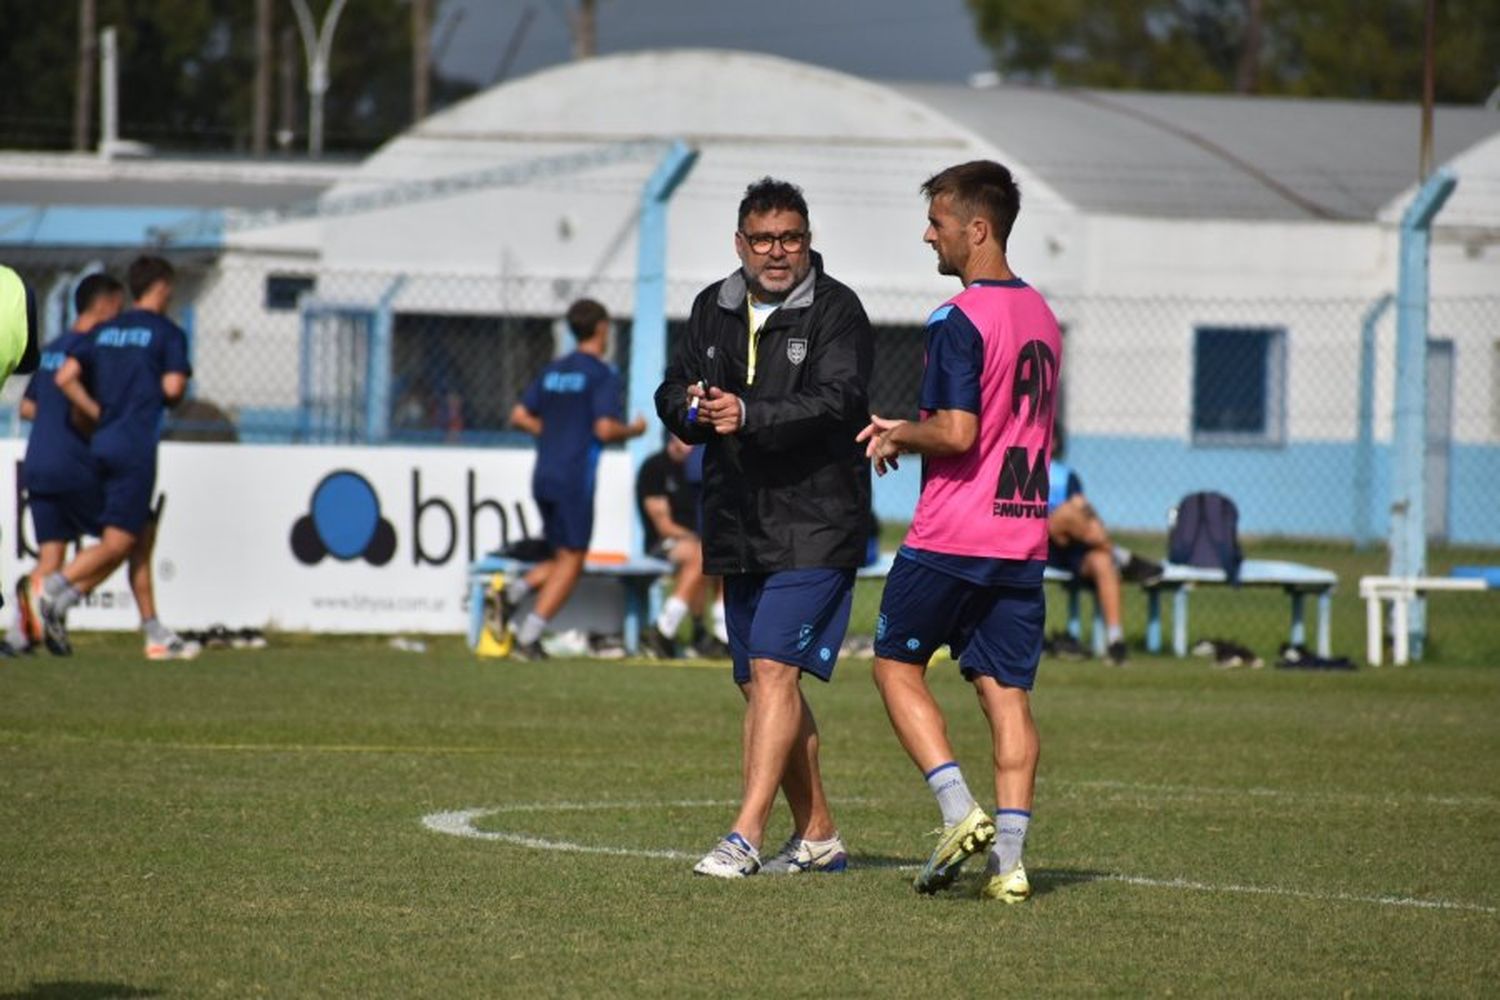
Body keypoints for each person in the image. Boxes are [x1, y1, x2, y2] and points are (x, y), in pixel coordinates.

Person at [656, 177, 873, 878]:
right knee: (759, 683)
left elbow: (838, 402)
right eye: (764, 239)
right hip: (736, 522)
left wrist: (749, 414)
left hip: (816, 522)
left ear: (808, 240)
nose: (778, 252)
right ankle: (819, 835)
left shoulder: (838, 310)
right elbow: (671, 387)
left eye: (791, 238)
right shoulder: (710, 307)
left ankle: (744, 835)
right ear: (740, 244)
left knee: (776, 671)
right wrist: (688, 408)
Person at [859, 160, 1061, 903]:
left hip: (954, 534)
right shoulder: (1040, 313)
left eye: (938, 223)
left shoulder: (958, 318)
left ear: (978, 230)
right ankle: (1008, 864)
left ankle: (956, 811)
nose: (928, 234)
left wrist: (896, 434)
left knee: (893, 665)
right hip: (1021, 537)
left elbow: (957, 431)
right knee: (1006, 697)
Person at [28, 256, 199, 660]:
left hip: (99, 444)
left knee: (137, 536)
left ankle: (151, 630)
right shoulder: (167, 333)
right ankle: (52, 589)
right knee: (121, 540)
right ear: (162, 287)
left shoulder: (104, 332)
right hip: (135, 446)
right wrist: (158, 389)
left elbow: (66, 376)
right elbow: (174, 388)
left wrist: (96, 412)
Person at [503, 298, 647, 660]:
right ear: (601, 328)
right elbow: (604, 428)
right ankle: (528, 637)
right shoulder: (602, 373)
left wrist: (551, 433)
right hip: (573, 476)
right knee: (574, 560)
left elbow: (519, 416)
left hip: (544, 474)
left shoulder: (554, 370)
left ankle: (512, 593)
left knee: (561, 555)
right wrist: (634, 430)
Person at [14, 273, 123, 651]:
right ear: (105, 304)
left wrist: (53, 417)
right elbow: (80, 404)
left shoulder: (51, 349)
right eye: (118, 308)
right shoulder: (93, 350)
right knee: (123, 538)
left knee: (51, 555)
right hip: (73, 463)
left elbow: (27, 407)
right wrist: (99, 418)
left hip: (38, 461)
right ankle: (57, 602)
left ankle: (17, 637)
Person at [1047, 440, 1163, 665]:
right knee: (1066, 513)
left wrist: (1090, 526)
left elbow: (1086, 511)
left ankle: (1115, 641)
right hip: (1037, 543)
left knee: (1102, 561)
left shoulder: (1065, 475)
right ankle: (1123, 556)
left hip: (1071, 547)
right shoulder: (1018, 464)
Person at [634, 433, 729, 659]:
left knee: (724, 556)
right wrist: (698, 538)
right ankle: (664, 628)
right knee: (701, 554)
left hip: (696, 542)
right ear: (671, 438)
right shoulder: (655, 467)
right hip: (661, 544)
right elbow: (663, 525)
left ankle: (721, 635)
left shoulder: (698, 469)